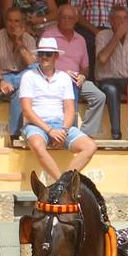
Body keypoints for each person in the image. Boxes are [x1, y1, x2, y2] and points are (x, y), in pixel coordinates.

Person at [19, 36, 97, 180]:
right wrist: (50, 130)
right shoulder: (28, 76)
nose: (44, 57)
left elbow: (70, 109)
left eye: (48, 54)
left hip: (60, 125)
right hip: (36, 125)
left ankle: (64, 182)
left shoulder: (64, 77)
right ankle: (60, 183)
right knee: (37, 145)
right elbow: (27, 111)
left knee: (90, 146)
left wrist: (63, 130)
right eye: (40, 54)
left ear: (56, 56)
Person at [39, 5, 106, 137]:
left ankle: (86, 134)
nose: (67, 20)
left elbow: (85, 67)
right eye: (64, 17)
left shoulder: (80, 39)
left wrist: (82, 75)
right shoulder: (48, 35)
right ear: (58, 18)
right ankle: (70, 133)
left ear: (76, 20)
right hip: (54, 78)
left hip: (76, 80)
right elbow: (42, 62)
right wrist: (61, 73)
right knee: (70, 90)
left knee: (99, 96)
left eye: (71, 18)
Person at [95, 5, 128, 141]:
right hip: (107, 80)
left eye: (124, 18)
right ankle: (116, 135)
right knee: (111, 91)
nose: (122, 22)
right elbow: (102, 58)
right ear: (110, 20)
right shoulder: (102, 35)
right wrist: (117, 35)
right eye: (118, 19)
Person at [0, 6, 37, 137]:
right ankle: (15, 135)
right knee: (20, 88)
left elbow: (33, 66)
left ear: (23, 23)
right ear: (5, 22)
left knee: (27, 78)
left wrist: (19, 44)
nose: (13, 25)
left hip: (22, 77)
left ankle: (14, 134)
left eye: (17, 21)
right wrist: (1, 82)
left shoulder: (28, 39)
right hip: (0, 78)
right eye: (10, 21)